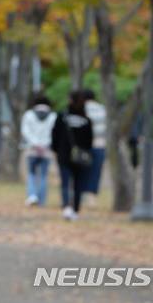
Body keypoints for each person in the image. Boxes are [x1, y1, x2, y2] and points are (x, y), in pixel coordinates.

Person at [51, 89, 93, 220]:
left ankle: (66, 207)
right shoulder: (86, 120)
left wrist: (56, 149)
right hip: (80, 157)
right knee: (78, 184)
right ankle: (75, 209)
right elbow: (89, 140)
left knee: (65, 182)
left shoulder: (62, 116)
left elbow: (54, 134)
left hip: (64, 154)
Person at [20, 93, 57, 206]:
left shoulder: (29, 115)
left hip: (31, 149)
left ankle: (32, 195)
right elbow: (54, 133)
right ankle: (41, 201)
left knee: (31, 173)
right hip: (46, 150)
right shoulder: (53, 116)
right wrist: (44, 145)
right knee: (44, 175)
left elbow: (25, 131)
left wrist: (35, 144)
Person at [82, 88, 107, 198]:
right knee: (95, 171)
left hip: (84, 145)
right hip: (100, 144)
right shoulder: (103, 109)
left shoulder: (80, 109)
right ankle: (92, 195)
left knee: (82, 170)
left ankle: (81, 193)